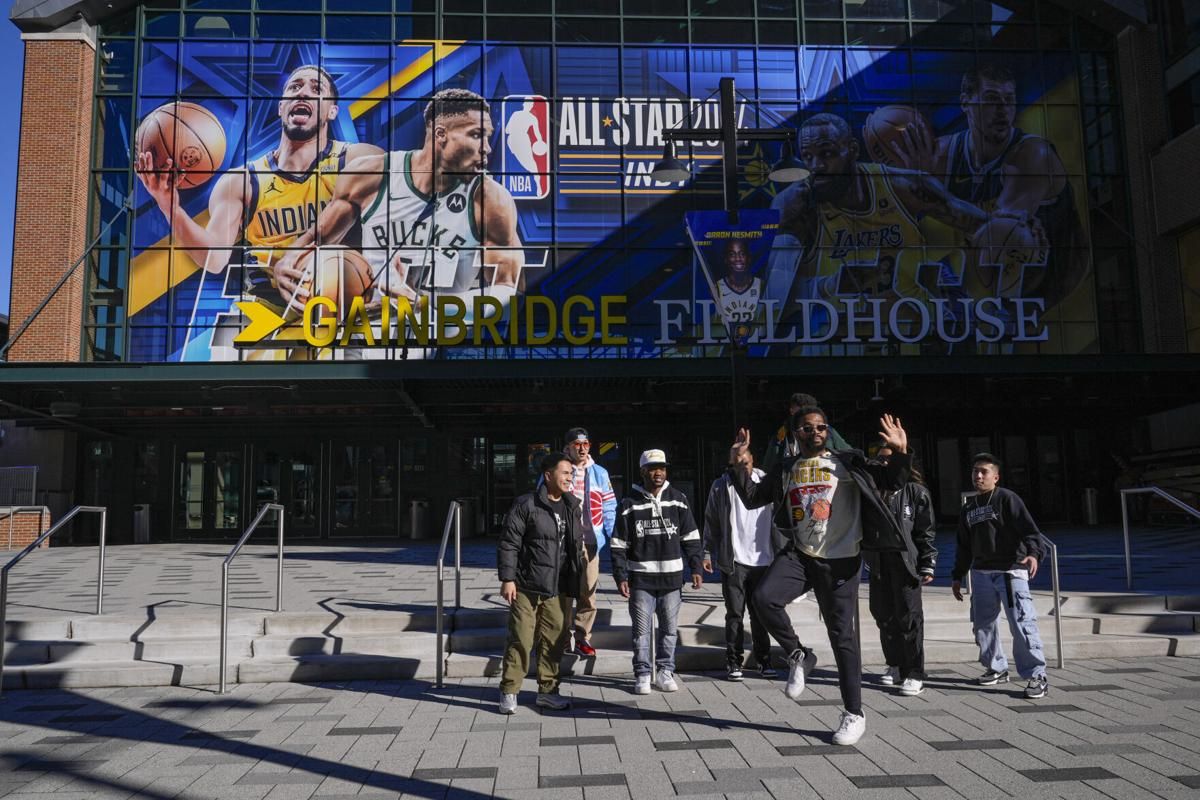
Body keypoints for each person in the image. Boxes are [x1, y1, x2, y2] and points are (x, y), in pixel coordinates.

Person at [728, 409, 911, 746]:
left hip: (841, 559)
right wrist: (740, 466)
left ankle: (854, 713)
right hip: (801, 554)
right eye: (808, 427)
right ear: (796, 433)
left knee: (842, 636)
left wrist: (899, 452)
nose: (815, 431)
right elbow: (753, 498)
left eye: (821, 426)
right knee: (764, 598)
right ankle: (799, 654)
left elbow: (891, 481)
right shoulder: (787, 469)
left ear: (828, 430)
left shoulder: (849, 461)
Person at [136, 65, 381, 310]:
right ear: (281, 107)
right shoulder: (242, 182)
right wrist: (170, 207)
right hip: (267, 309)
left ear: (332, 111)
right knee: (232, 335)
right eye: (295, 87)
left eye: (317, 89)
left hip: (340, 304)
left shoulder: (356, 160)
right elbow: (213, 258)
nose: (303, 92)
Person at [274, 88, 522, 316]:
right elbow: (313, 242)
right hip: (368, 336)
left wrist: (425, 305)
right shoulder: (372, 175)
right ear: (440, 134)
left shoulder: (491, 199)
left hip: (440, 343)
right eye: (477, 135)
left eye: (487, 136)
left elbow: (508, 290)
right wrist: (285, 263)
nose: (487, 148)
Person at [882, 63, 1088, 307]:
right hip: (988, 284)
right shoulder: (943, 154)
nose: (1002, 109)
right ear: (965, 103)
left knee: (1008, 236)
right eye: (991, 99)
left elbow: (998, 234)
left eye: (1009, 100)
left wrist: (929, 191)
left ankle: (978, 314)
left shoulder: (1033, 155)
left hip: (1056, 281)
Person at [766, 112, 988, 318]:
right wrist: (832, 284)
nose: (817, 166)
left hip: (912, 335)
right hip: (836, 342)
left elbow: (988, 230)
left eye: (827, 153)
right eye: (807, 156)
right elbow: (775, 298)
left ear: (853, 150)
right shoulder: (796, 204)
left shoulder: (902, 186)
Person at [951, 453, 1049, 699]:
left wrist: (1035, 554)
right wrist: (958, 575)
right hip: (981, 572)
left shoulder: (1007, 498)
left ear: (996, 476)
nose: (979, 476)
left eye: (984, 471)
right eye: (975, 471)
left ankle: (1037, 675)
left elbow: (1029, 529)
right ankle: (996, 668)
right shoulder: (969, 507)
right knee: (983, 624)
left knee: (1022, 624)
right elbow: (963, 545)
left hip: (1010, 570)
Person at [496, 452, 586, 714]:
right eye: (564, 472)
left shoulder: (572, 505)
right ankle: (509, 690)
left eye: (571, 473)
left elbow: (575, 547)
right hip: (527, 585)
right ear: (548, 476)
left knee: (555, 641)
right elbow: (509, 543)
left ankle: (548, 692)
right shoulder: (526, 504)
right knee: (521, 639)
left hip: (559, 587)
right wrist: (508, 579)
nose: (570, 477)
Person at [610, 449, 703, 695]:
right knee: (641, 631)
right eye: (652, 468)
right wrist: (620, 576)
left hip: (672, 579)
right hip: (641, 579)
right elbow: (618, 545)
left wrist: (695, 567)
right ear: (643, 471)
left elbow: (691, 537)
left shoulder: (678, 499)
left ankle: (665, 672)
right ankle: (641, 673)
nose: (658, 472)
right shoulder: (628, 503)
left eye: (662, 467)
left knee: (669, 630)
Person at [702, 450, 781, 681]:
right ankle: (734, 661)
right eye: (738, 463)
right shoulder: (721, 485)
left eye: (746, 461)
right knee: (735, 614)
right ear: (731, 464)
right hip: (734, 559)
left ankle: (763, 661)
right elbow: (711, 519)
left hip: (764, 558)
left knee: (761, 615)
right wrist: (707, 552)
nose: (743, 466)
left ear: (753, 460)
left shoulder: (766, 481)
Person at [865, 444, 936, 697]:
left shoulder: (916, 492)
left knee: (909, 618)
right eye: (880, 460)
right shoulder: (872, 491)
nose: (884, 465)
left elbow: (925, 532)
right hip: (879, 561)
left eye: (889, 460)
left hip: (906, 562)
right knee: (883, 614)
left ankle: (914, 672)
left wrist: (928, 562)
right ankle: (894, 664)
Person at [560, 426, 617, 657]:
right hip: (564, 542)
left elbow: (609, 506)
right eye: (577, 444)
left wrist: (614, 537)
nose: (583, 448)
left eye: (586, 444)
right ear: (567, 448)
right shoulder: (559, 470)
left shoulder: (600, 473)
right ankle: (563, 639)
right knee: (563, 593)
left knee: (588, 591)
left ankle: (583, 637)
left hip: (591, 541)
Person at [762, 392, 850, 472]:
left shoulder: (826, 431)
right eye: (799, 412)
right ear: (791, 411)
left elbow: (849, 454)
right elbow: (768, 468)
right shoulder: (781, 436)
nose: (803, 417)